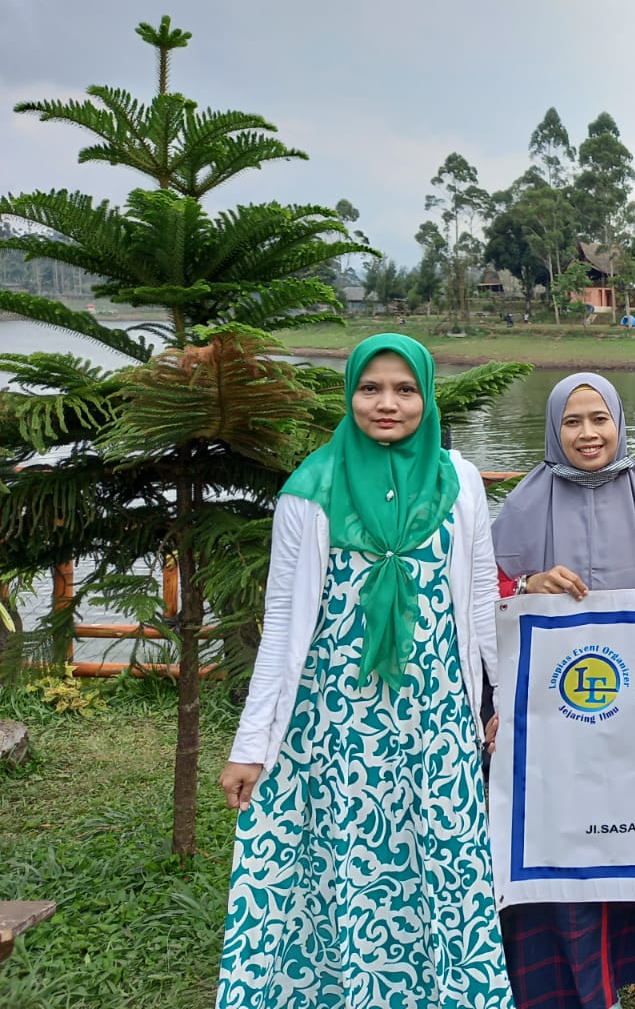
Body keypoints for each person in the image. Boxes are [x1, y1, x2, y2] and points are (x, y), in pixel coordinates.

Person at [215, 334, 511, 1008]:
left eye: (405, 390)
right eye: (371, 388)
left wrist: (500, 704)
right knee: (341, 865)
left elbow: (479, 602)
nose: (387, 404)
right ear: (350, 394)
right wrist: (251, 745)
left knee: (436, 860)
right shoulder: (310, 491)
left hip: (434, 719)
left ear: (427, 396)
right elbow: (282, 626)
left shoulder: (459, 481)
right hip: (333, 725)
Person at [491, 372, 635, 1009]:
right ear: (553, 429)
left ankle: (624, 971)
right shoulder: (524, 502)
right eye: (572, 422)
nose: (588, 434)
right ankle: (570, 979)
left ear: (618, 423)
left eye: (599, 419)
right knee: (564, 835)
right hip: (554, 711)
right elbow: (485, 593)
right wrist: (528, 584)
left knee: (631, 826)